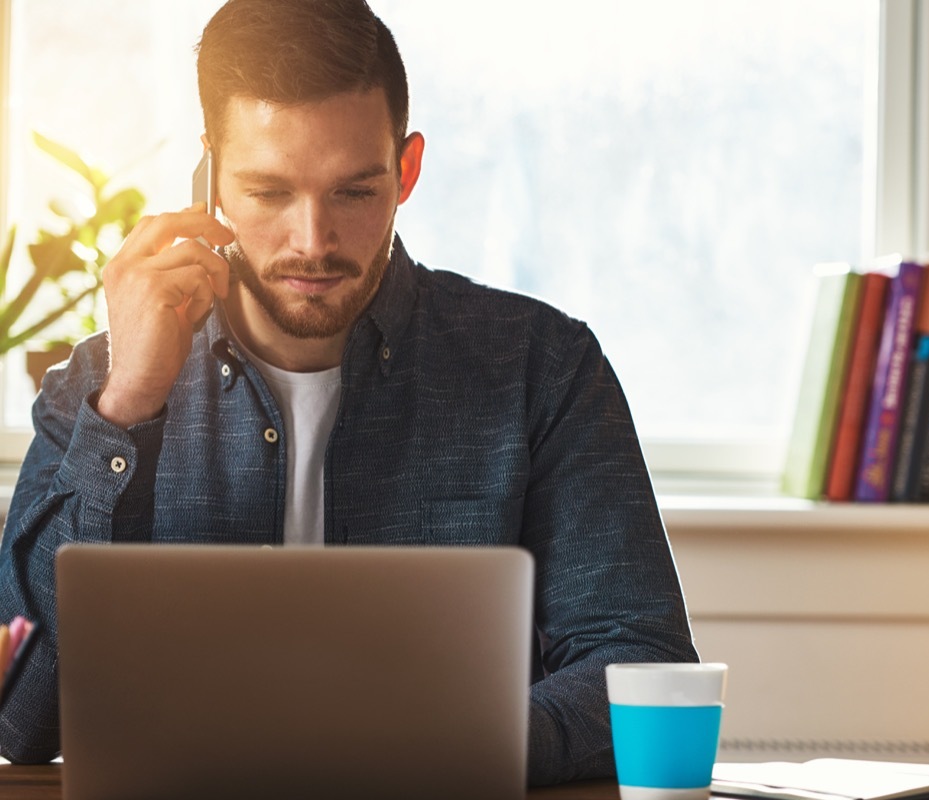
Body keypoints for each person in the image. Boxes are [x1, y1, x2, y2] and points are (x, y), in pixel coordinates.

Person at [0, 0, 698, 784]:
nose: (313, 241)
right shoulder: (104, 384)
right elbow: (23, 717)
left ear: (406, 170)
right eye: (268, 192)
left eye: (354, 193)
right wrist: (130, 404)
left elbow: (640, 669)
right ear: (210, 179)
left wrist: (423, 748)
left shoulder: (542, 368)